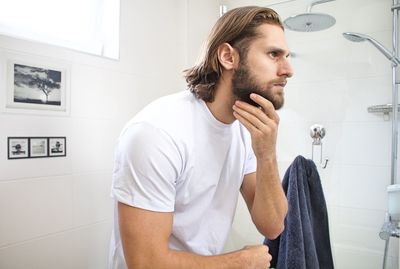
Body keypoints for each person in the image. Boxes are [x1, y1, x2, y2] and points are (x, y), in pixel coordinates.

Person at [108, 5, 293, 269]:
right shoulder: (156, 133)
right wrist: (240, 262)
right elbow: (145, 262)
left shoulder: (245, 128)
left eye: (287, 56)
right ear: (228, 57)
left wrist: (267, 154)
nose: (288, 69)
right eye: (274, 54)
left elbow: (272, 226)